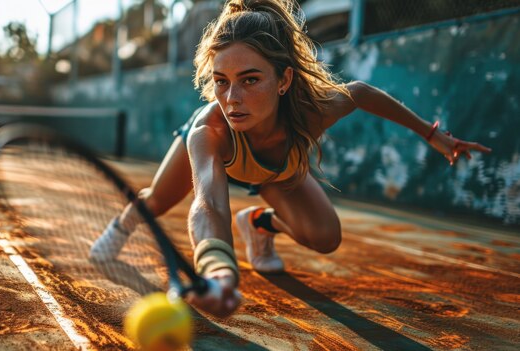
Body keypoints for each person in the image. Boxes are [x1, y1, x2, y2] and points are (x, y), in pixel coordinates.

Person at [90, 0, 491, 318]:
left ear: (284, 80)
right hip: (224, 159)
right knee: (157, 202)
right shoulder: (209, 130)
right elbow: (209, 203)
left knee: (326, 237)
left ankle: (260, 224)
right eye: (221, 82)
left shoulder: (313, 111)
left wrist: (433, 134)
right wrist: (218, 272)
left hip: (276, 173)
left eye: (250, 80)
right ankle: (121, 224)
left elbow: (362, 92)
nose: (232, 99)